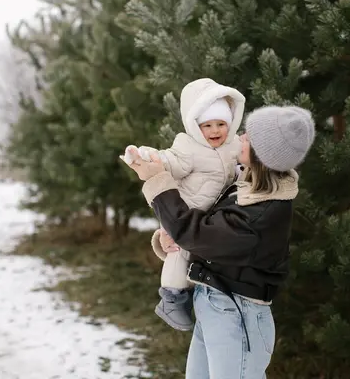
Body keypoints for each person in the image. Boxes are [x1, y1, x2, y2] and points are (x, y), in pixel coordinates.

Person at [126, 104, 315, 378]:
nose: (239, 137)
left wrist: (157, 181)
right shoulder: (246, 188)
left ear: (263, 154)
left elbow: (198, 233)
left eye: (248, 137)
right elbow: (210, 233)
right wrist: (171, 241)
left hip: (237, 314)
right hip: (216, 305)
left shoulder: (261, 211)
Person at [120, 78, 245, 331]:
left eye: (221, 123)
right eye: (207, 125)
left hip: (215, 214)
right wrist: (147, 156)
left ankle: (194, 293)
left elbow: (241, 166)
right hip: (186, 211)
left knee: (197, 253)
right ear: (194, 125)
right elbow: (169, 160)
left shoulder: (234, 145)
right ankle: (172, 298)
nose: (215, 130)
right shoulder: (188, 147)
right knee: (179, 252)